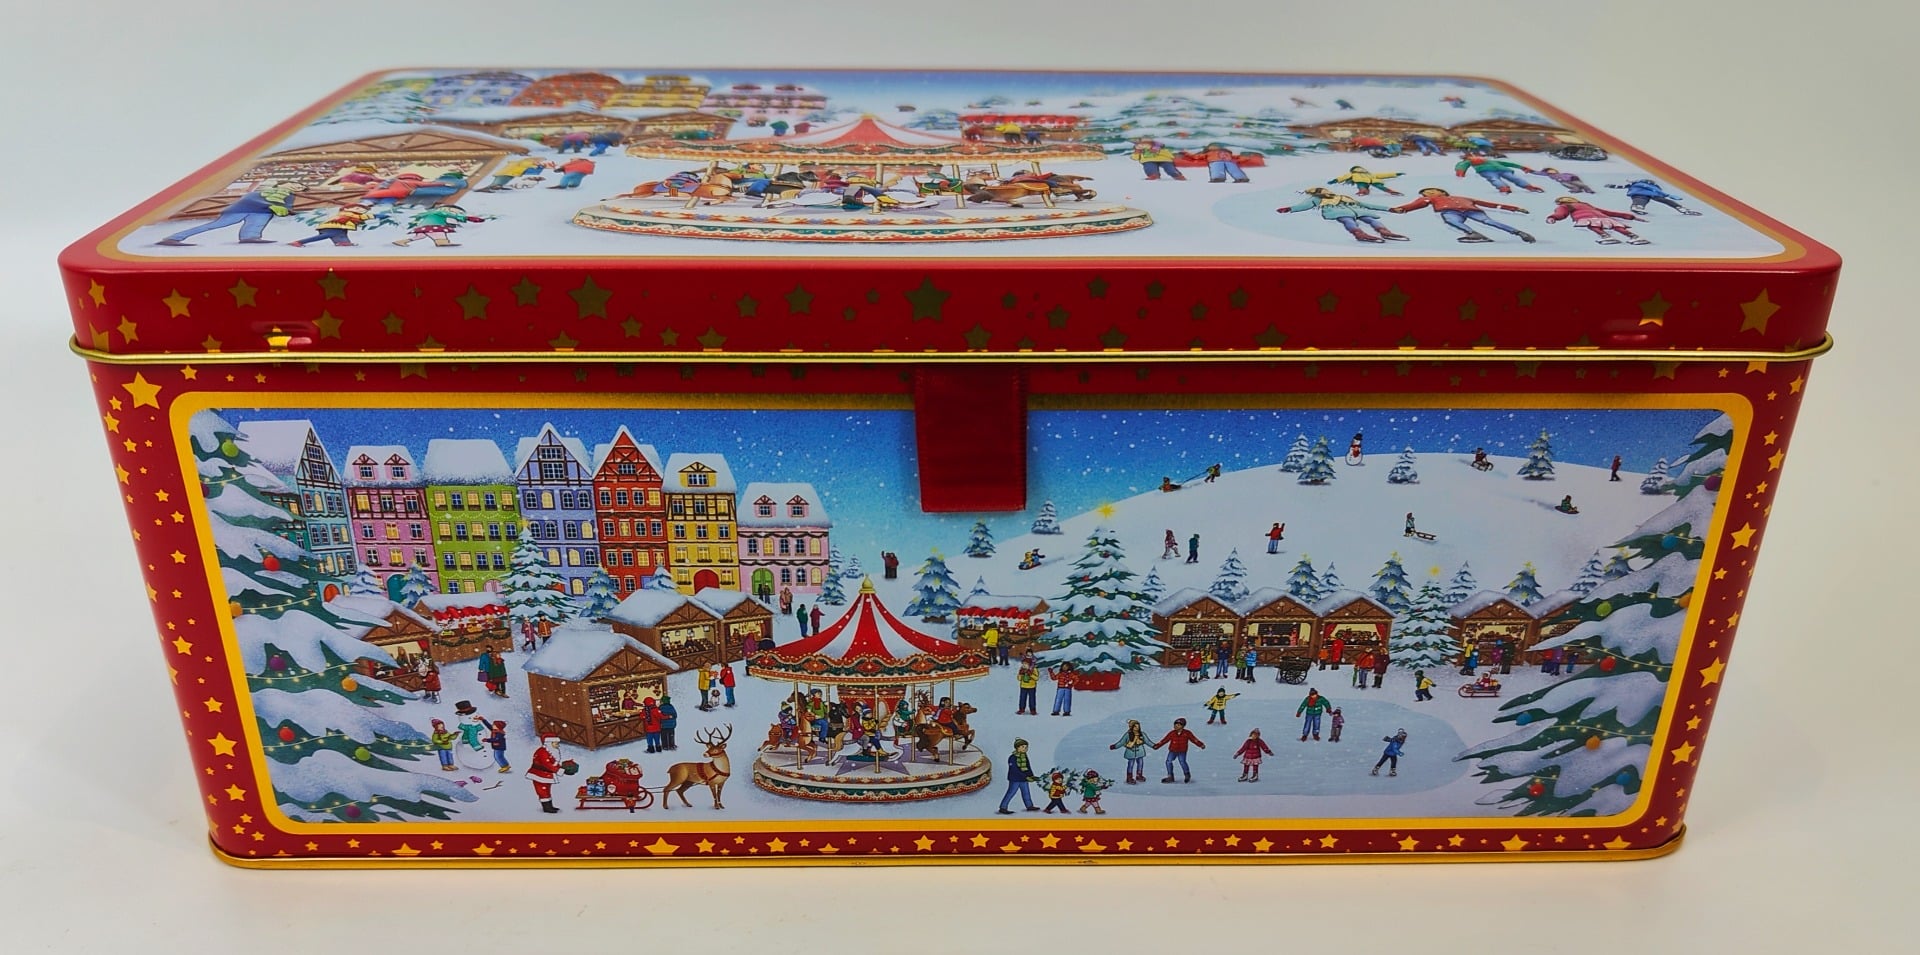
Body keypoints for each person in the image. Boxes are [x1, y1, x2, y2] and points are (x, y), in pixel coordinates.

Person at [157, 181, 299, 246]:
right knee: (215, 225)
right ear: (280, 184)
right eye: (294, 184)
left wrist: (287, 211)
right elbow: (248, 199)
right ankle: (174, 238)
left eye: (299, 187)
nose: (296, 186)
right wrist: (270, 205)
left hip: (262, 212)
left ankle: (250, 237)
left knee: (256, 225)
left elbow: (287, 207)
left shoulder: (289, 196)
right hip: (241, 209)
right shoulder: (262, 191)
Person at [1388, 187, 1536, 244]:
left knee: (1489, 221)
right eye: (1425, 193)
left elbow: (1488, 204)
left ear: (1442, 192)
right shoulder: (1429, 199)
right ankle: (1474, 234)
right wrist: (1402, 209)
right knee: (1451, 221)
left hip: (1472, 210)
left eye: (1431, 191)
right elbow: (1416, 204)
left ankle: (1519, 233)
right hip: (1449, 211)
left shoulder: (1464, 198)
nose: (1428, 194)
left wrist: (1514, 208)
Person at [1274, 187, 1407, 244]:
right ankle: (1359, 234)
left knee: (1370, 219)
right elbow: (1304, 205)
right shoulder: (1317, 199)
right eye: (1320, 191)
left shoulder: (1343, 196)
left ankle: (1385, 232)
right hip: (1337, 211)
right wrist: (1290, 208)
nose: (1325, 192)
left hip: (1357, 210)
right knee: (1348, 220)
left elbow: (1366, 204)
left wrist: (1389, 209)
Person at [995, 738, 1043, 814]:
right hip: (1015, 779)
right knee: (1011, 793)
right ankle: (1003, 807)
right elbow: (1014, 770)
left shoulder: (1024, 756)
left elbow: (1027, 767)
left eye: (1026, 747)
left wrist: (1031, 776)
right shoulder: (1012, 757)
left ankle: (1029, 806)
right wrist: (1026, 777)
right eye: (1023, 747)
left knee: (1026, 793)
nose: (1025, 748)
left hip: (1024, 779)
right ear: (1017, 747)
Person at [1152, 718, 1206, 783]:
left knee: (1182, 762)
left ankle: (1187, 774)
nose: (1176, 726)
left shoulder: (1187, 733)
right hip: (1172, 750)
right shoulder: (1172, 733)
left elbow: (1194, 739)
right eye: (1175, 725)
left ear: (1183, 726)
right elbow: (1165, 740)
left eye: (1178, 725)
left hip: (1182, 751)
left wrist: (1200, 744)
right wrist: (1158, 745)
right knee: (1168, 761)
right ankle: (1170, 776)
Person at [527, 733, 567, 813]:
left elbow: (554, 763)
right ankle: (546, 808)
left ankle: (549, 806)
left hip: (546, 775)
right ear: (549, 743)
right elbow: (547, 764)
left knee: (547, 790)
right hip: (538, 775)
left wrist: (561, 769)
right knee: (542, 791)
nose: (558, 745)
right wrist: (558, 770)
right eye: (556, 743)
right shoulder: (542, 752)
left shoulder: (551, 752)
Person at [1110, 719, 1149, 784]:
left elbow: (1147, 741)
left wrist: (1154, 746)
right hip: (1131, 752)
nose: (1137, 728)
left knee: (1140, 763)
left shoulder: (1142, 734)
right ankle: (1129, 777)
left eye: (1138, 726)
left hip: (1140, 752)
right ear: (1131, 727)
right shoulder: (1127, 735)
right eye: (1135, 726)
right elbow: (1122, 742)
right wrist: (1115, 746)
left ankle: (1139, 775)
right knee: (1130, 764)